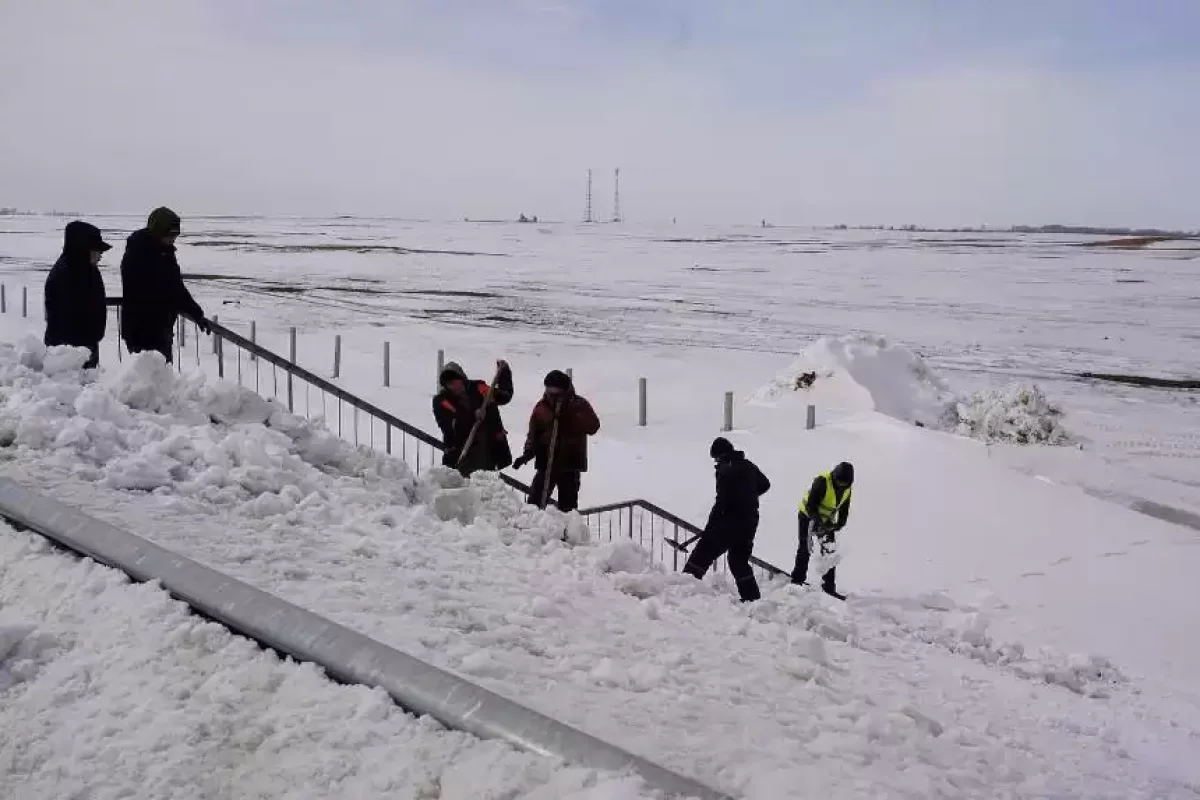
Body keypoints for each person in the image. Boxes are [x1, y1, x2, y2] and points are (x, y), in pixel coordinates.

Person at [683, 437, 771, 602]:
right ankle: (752, 600)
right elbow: (765, 484)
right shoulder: (748, 465)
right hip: (750, 521)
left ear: (721, 456)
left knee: (702, 553)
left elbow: (721, 502)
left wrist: (710, 527)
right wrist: (748, 496)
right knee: (738, 560)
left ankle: (683, 590)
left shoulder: (725, 470)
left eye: (715, 458)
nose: (715, 461)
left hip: (730, 522)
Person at [120, 207, 210, 362]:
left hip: (161, 331)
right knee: (145, 382)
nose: (172, 239)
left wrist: (197, 314)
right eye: (169, 235)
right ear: (157, 232)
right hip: (142, 334)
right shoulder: (138, 252)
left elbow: (176, 286)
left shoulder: (166, 252)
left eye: (175, 235)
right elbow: (142, 292)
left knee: (163, 379)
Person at [512, 370, 600, 512]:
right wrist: (527, 453)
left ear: (564, 390)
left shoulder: (579, 404)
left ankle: (566, 533)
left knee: (568, 508)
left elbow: (593, 427)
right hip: (546, 462)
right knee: (534, 503)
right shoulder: (541, 407)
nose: (551, 396)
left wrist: (573, 416)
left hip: (570, 463)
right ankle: (532, 530)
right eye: (548, 391)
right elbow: (533, 434)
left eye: (556, 392)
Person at [43, 221, 112, 369]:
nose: (100, 255)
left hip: (88, 351)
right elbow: (61, 324)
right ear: (83, 249)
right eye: (97, 250)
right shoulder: (62, 276)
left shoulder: (91, 271)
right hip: (69, 360)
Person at [432, 360, 514, 477]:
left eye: (455, 381)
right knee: (464, 491)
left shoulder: (479, 388)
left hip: (488, 453)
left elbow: (504, 396)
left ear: (462, 378)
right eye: (449, 384)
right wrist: (473, 415)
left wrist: (504, 373)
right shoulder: (441, 401)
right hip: (461, 456)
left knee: (487, 488)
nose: (453, 386)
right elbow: (450, 426)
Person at [791, 461, 854, 600]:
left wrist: (839, 524)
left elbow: (844, 509)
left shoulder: (847, 489)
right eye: (840, 482)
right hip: (808, 516)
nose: (842, 485)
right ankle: (796, 581)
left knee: (830, 553)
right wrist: (818, 523)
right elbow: (811, 505)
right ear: (835, 476)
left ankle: (829, 588)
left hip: (826, 521)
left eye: (845, 484)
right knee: (805, 549)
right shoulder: (823, 481)